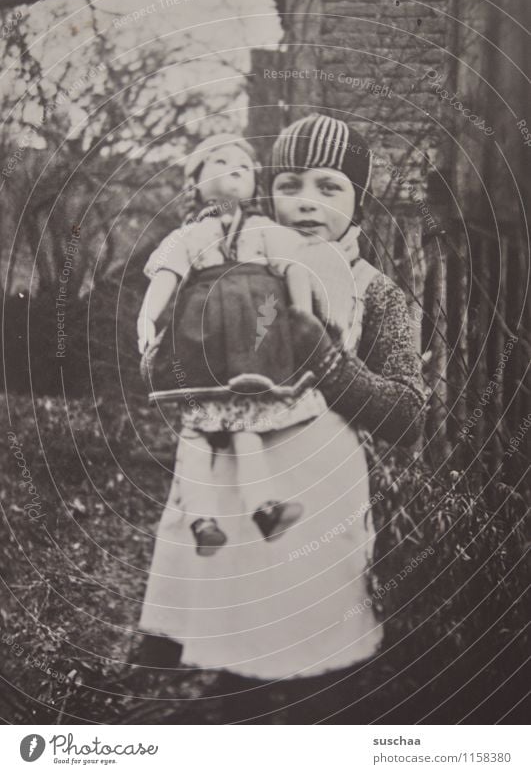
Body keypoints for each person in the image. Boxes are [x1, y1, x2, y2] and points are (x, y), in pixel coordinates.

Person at [136, 113, 426, 688]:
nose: (306, 203)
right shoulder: (233, 267)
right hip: (229, 484)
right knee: (232, 652)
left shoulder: (374, 290)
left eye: (329, 186)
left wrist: (328, 363)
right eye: (289, 185)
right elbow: (179, 352)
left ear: (359, 198)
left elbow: (408, 416)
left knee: (309, 664)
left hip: (318, 500)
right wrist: (169, 355)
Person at [137, 133, 340, 556]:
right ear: (194, 181)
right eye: (220, 162)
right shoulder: (190, 235)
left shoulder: (265, 229)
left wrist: (301, 313)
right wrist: (148, 315)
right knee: (198, 422)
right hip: (203, 338)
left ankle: (263, 507)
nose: (234, 170)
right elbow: (168, 274)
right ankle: (201, 518)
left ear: (254, 183)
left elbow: (294, 268)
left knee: (245, 414)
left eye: (244, 166)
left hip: (256, 338)